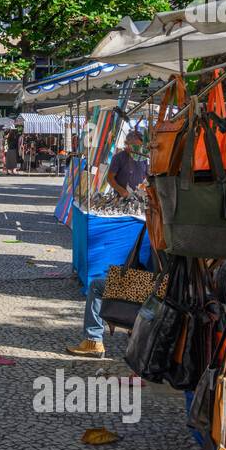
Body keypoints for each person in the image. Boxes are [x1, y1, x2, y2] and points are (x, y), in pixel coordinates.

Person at [68, 132, 151, 358]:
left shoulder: (145, 161)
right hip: (157, 284)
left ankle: (94, 340)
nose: (134, 149)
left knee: (96, 286)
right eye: (132, 145)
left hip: (152, 288)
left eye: (137, 146)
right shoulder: (121, 158)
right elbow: (112, 179)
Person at [106, 130, 149, 198]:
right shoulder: (118, 157)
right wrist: (121, 190)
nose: (137, 150)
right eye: (134, 147)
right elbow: (109, 178)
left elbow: (147, 177)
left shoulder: (143, 158)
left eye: (139, 147)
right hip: (121, 197)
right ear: (127, 144)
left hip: (138, 197)